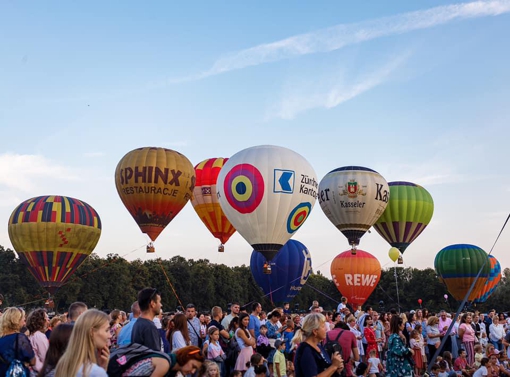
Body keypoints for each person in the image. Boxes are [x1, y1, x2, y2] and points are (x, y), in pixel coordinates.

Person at [55, 309, 111, 376]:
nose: (110, 335)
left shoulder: (63, 364)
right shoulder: (95, 372)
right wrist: (102, 370)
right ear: (91, 332)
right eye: (107, 330)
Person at [293, 313, 344, 377]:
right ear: (315, 331)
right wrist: (334, 366)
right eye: (323, 326)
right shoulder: (306, 350)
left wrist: (336, 369)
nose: (326, 329)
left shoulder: (319, 347)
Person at [0, 307, 35, 376]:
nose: (24, 321)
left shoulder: (1, 339)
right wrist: (25, 363)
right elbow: (33, 361)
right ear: (16, 320)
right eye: (22, 319)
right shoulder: (20, 338)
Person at [132, 287, 164, 352]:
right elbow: (155, 357)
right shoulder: (149, 327)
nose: (161, 305)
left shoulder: (138, 323)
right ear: (152, 303)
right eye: (159, 302)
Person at [27, 308, 50, 374]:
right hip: (40, 371)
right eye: (46, 317)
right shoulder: (39, 336)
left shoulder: (32, 335)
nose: (48, 320)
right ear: (40, 321)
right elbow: (45, 356)